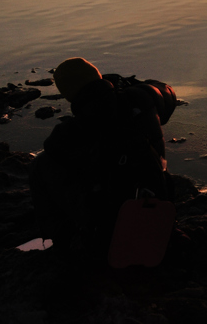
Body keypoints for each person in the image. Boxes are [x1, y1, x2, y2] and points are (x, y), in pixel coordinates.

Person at [29, 57, 178, 262]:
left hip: (110, 219)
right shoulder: (144, 97)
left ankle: (62, 241)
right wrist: (122, 84)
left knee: (42, 164)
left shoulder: (69, 132)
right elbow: (167, 93)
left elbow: (54, 151)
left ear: (69, 95)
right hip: (159, 194)